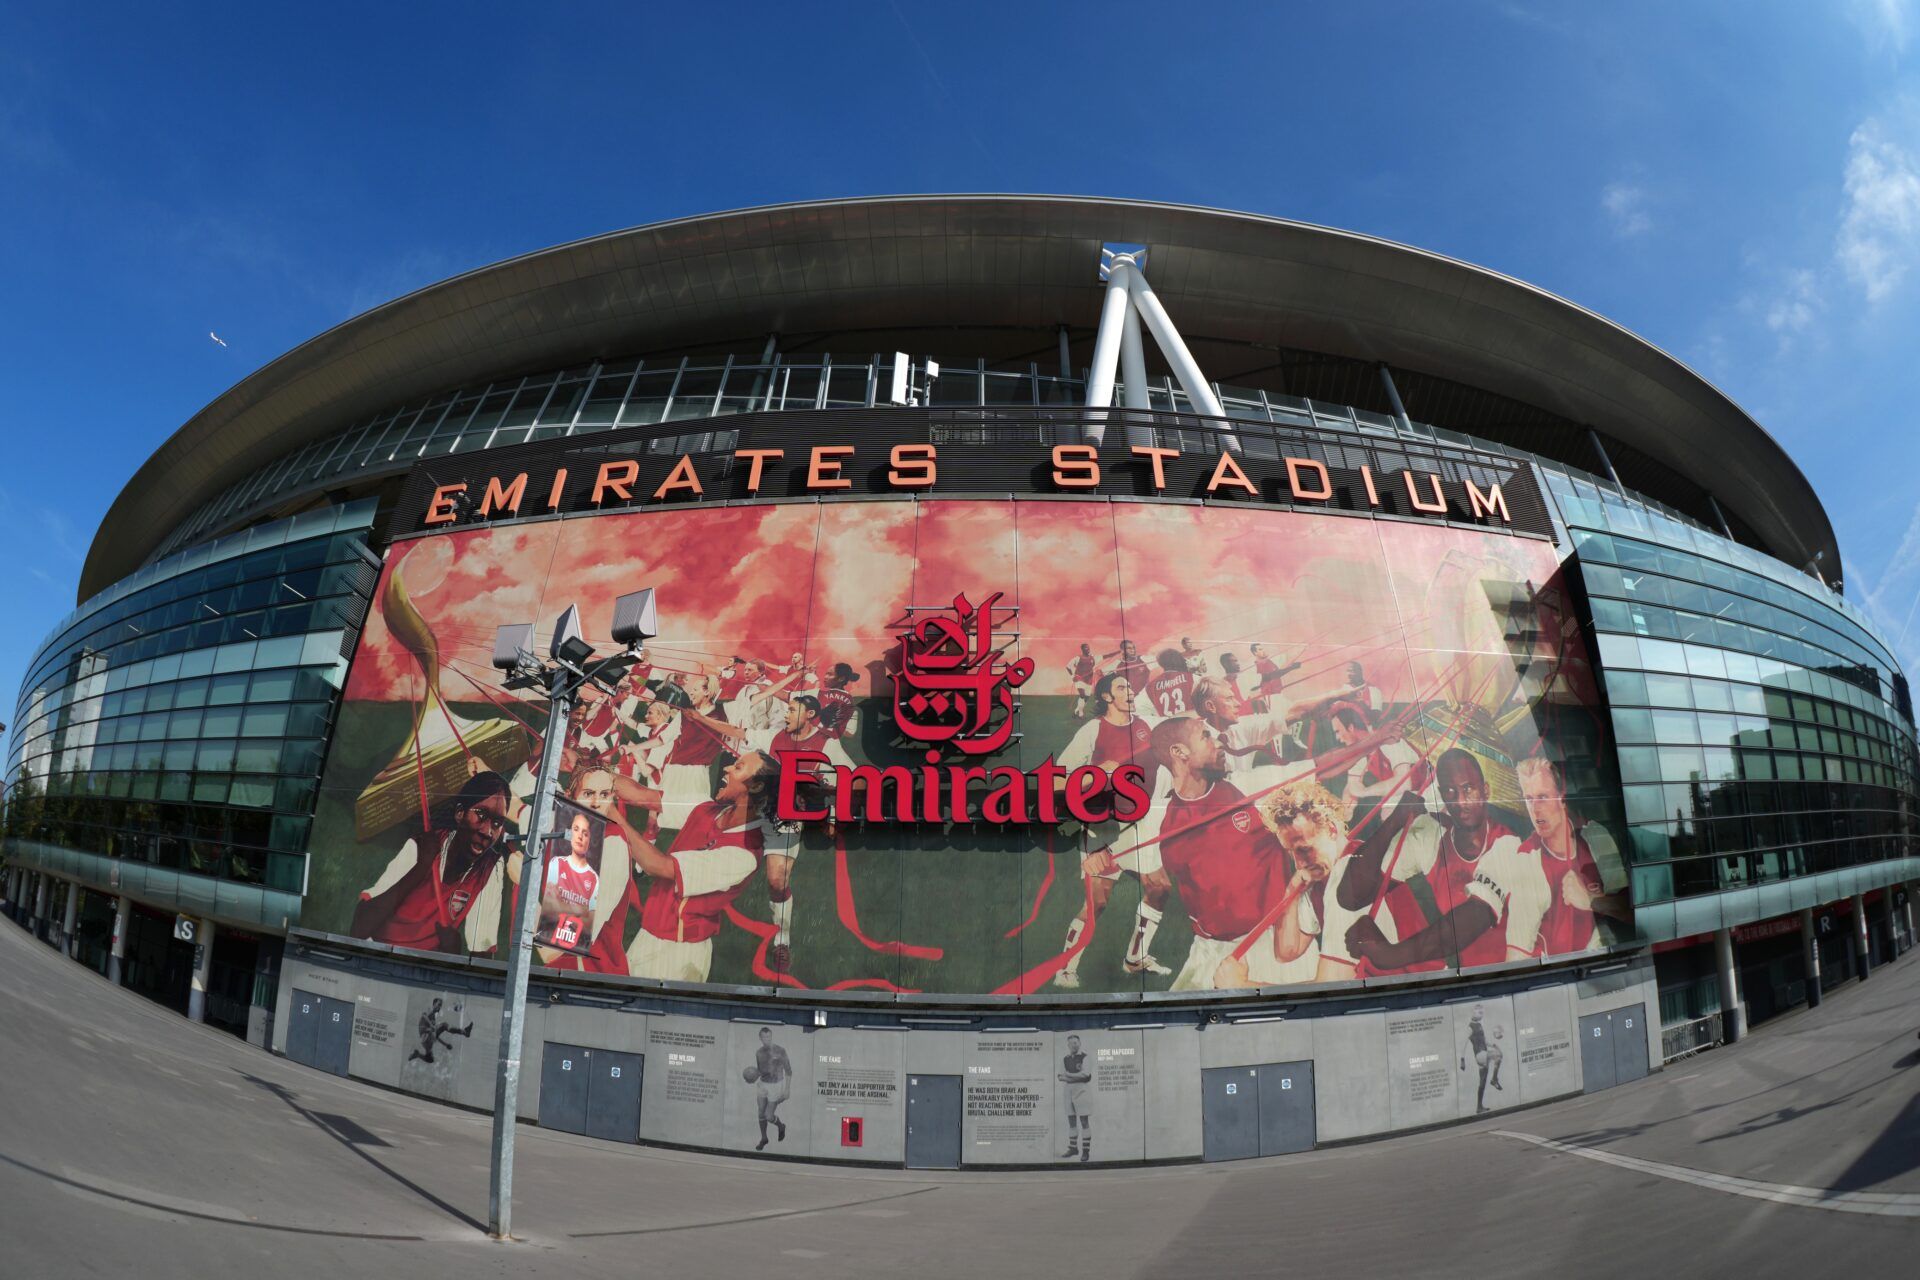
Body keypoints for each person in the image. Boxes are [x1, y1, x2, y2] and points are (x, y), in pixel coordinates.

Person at [689, 692, 857, 974]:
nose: (786, 714)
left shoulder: (827, 744)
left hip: (786, 815)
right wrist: (699, 718)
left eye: (793, 710)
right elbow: (737, 732)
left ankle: (782, 941)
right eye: (788, 709)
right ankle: (690, 918)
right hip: (751, 811)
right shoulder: (774, 736)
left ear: (811, 715)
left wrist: (833, 815)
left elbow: (849, 777)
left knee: (777, 881)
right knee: (709, 861)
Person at [1139, 717, 1307, 991]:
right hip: (1211, 951)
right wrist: (1098, 858)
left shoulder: (1245, 786)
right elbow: (1110, 859)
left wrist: (1376, 739)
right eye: (1205, 736)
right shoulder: (1156, 821)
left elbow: (1321, 768)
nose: (1218, 743)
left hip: (1275, 940)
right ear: (1179, 752)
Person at [1341, 749, 1540, 974]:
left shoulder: (1508, 844)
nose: (1460, 801)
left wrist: (1389, 954)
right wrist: (1394, 822)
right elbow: (1351, 896)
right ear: (1441, 795)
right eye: (1450, 791)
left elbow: (1474, 916)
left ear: (1485, 790)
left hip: (1527, 974)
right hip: (1474, 979)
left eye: (1468, 789)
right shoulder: (1432, 834)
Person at [626, 751, 794, 984]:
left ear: (755, 787)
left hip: (678, 955)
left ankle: (782, 938)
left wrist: (614, 817)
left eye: (738, 767)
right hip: (647, 936)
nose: (725, 769)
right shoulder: (706, 809)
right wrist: (590, 772)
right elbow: (640, 794)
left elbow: (658, 867)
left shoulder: (743, 855)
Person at [1051, 673, 1173, 987]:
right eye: (1122, 687)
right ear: (1106, 697)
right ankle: (1066, 968)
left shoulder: (1148, 725)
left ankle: (1135, 958)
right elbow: (1057, 780)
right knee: (1098, 902)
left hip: (1142, 821)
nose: (1130, 691)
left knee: (1159, 887)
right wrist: (1097, 774)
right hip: (1105, 823)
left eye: (1131, 686)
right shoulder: (1093, 730)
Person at [351, 771, 512, 955]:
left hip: (425, 966)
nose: (488, 831)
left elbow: (482, 952)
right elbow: (359, 928)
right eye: (481, 815)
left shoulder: (491, 866)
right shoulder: (421, 846)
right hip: (379, 953)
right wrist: (421, 868)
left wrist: (453, 955)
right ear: (460, 813)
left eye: (498, 823)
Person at [1515, 757, 1628, 955]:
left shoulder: (1594, 836)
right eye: (1529, 799)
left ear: (1561, 796)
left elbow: (1628, 910)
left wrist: (1591, 900)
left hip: (1604, 961)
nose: (1535, 809)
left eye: (1542, 797)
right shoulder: (1523, 857)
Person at [535, 810, 601, 963]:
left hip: (573, 953)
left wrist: (565, 907)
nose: (580, 836)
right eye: (576, 829)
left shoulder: (593, 878)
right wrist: (578, 911)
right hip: (551, 942)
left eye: (585, 833)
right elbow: (550, 909)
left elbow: (588, 923)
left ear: (590, 839)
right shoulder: (557, 864)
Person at [749, 1026, 793, 1150]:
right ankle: (764, 1138)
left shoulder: (780, 1051)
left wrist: (787, 1089)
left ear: (771, 1037)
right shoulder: (758, 1052)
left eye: (768, 1036)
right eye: (764, 1037)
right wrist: (751, 1077)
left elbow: (789, 1071)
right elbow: (761, 1071)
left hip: (776, 1085)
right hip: (763, 1084)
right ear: (760, 1038)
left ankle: (781, 1126)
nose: (766, 1039)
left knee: (769, 1116)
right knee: (760, 1112)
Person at [1058, 1034, 1093, 1162]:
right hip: (1068, 1090)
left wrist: (1068, 1075)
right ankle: (1073, 1148)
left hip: (1082, 1090)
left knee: (1084, 1121)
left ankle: (1085, 1151)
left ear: (1080, 1043)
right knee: (1071, 1121)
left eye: (1076, 1042)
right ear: (1068, 1045)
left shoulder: (1085, 1057)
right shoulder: (1065, 1059)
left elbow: (1086, 1075)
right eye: (1072, 1043)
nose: (1074, 1045)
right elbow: (1060, 1076)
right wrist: (1073, 1076)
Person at [406, 996, 473, 1064]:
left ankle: (417, 1055)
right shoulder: (430, 1011)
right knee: (444, 1025)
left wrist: (445, 1044)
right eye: (439, 1005)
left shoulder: (433, 1019)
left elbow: (436, 1036)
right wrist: (431, 1025)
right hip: (425, 1036)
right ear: (434, 1004)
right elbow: (424, 1015)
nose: (439, 1007)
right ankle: (465, 1032)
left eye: (440, 1005)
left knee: (430, 1059)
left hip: (427, 1041)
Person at [1464, 1006, 1503, 1113]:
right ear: (1473, 1013)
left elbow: (1484, 1041)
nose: (1481, 1015)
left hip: (1483, 1053)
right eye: (1479, 1012)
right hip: (1480, 1054)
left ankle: (1479, 1107)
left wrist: (1493, 1044)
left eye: (1482, 1013)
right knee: (1498, 1055)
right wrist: (1462, 1059)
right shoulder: (1470, 1027)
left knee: (1483, 1082)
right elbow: (1464, 1043)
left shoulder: (1479, 1025)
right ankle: (1494, 1079)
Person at [1143, 648, 1198, 719]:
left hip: (1168, 726)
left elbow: (1142, 710)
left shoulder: (1150, 686)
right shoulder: (1192, 678)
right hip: (1192, 724)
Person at [1066, 643, 1102, 719]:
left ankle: (1077, 711)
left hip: (1089, 680)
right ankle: (1081, 714)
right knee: (1082, 695)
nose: (1088, 649)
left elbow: (1105, 656)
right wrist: (1073, 676)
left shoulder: (1092, 658)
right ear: (1082, 649)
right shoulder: (1077, 658)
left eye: (1088, 648)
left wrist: (1117, 652)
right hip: (1079, 678)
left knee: (1086, 697)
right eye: (1086, 648)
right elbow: (1068, 667)